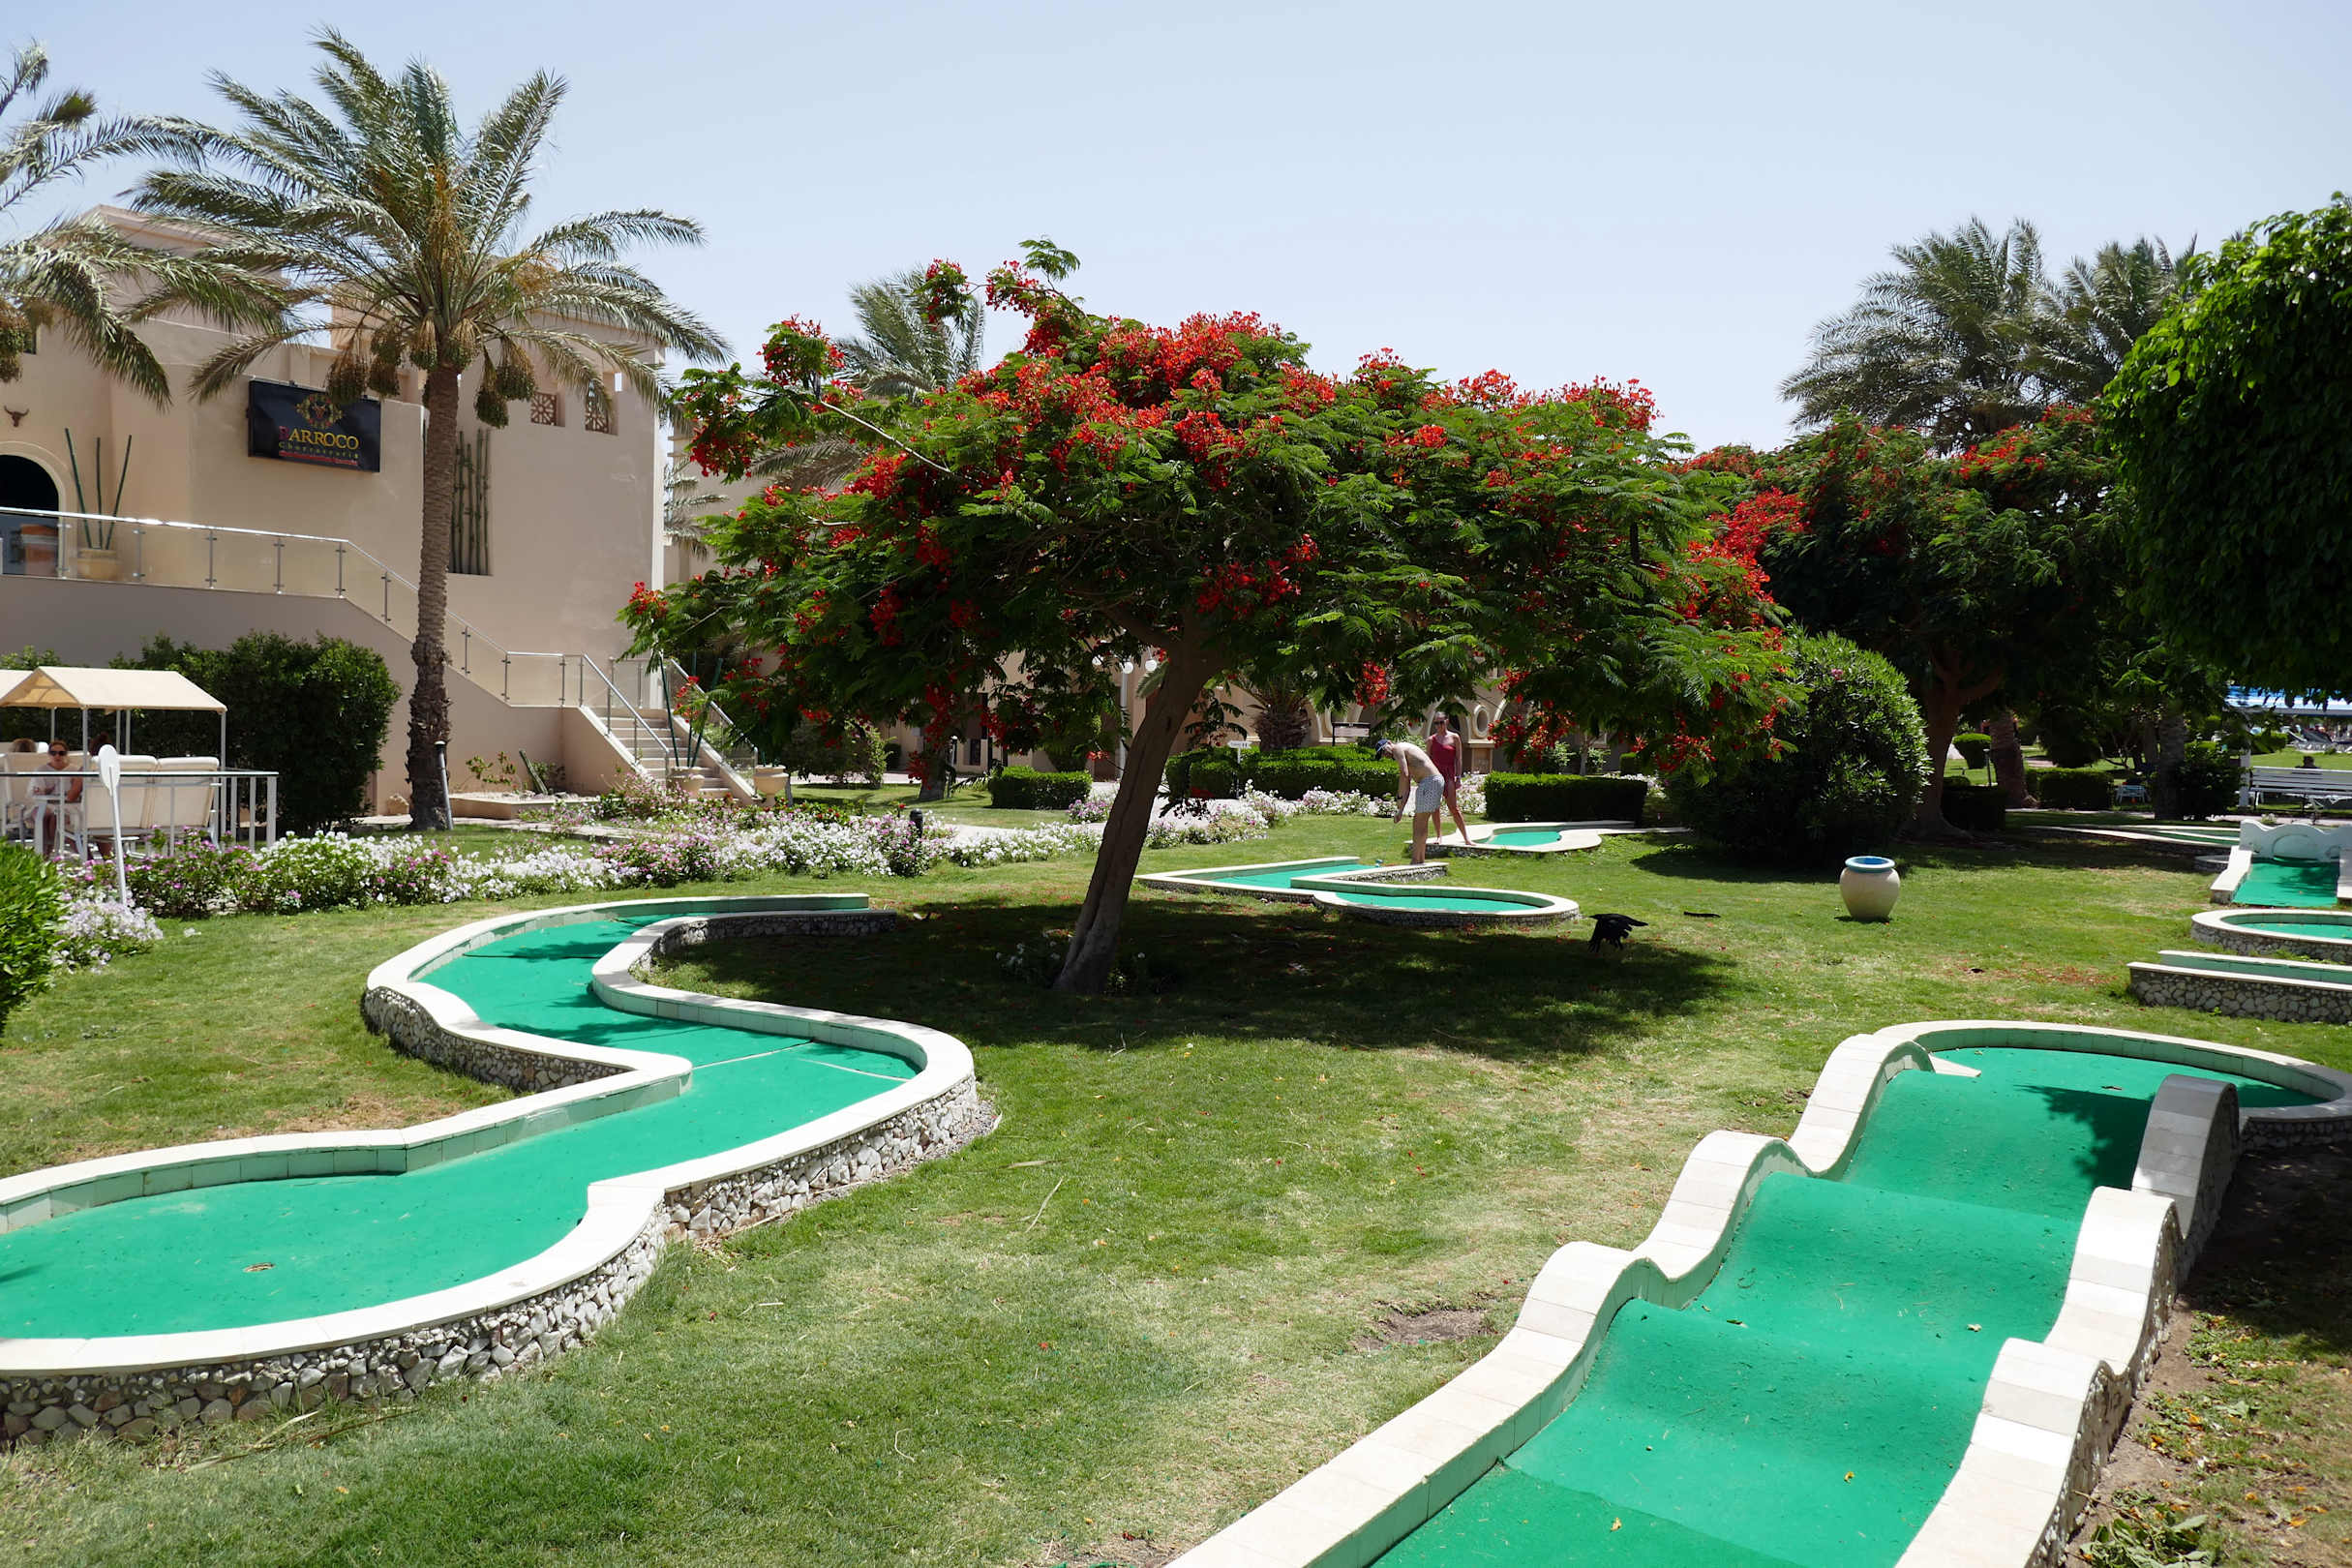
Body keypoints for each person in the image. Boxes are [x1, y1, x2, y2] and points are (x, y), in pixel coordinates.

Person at [1374, 735, 1445, 864]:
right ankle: (1419, 860)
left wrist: (1399, 797)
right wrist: (1400, 810)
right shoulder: (1406, 757)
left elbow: (1404, 774)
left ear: (1389, 743)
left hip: (1430, 782)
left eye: (1384, 751)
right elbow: (1406, 785)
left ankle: (1416, 861)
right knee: (1421, 822)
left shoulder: (1398, 748)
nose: (1385, 755)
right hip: (1432, 782)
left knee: (1419, 823)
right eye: (1382, 754)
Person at [27, 739, 81, 859]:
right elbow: (35, 792)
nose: (57, 756)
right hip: (45, 803)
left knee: (54, 818)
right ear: (49, 754)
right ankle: (44, 853)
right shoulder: (41, 770)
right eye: (53, 753)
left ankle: (48, 852)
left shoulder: (74, 770)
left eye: (61, 753)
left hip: (67, 806)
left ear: (66, 754)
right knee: (42, 815)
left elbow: (77, 792)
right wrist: (45, 791)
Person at [1425, 711, 1471, 846]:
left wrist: (1458, 777)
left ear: (1447, 721)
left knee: (1454, 808)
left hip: (1449, 775)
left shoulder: (1454, 737)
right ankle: (1439, 836)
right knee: (1435, 807)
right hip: (1435, 776)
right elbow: (1427, 760)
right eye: (1436, 723)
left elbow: (1458, 759)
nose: (1439, 725)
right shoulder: (1431, 740)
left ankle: (1466, 838)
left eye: (1441, 722)